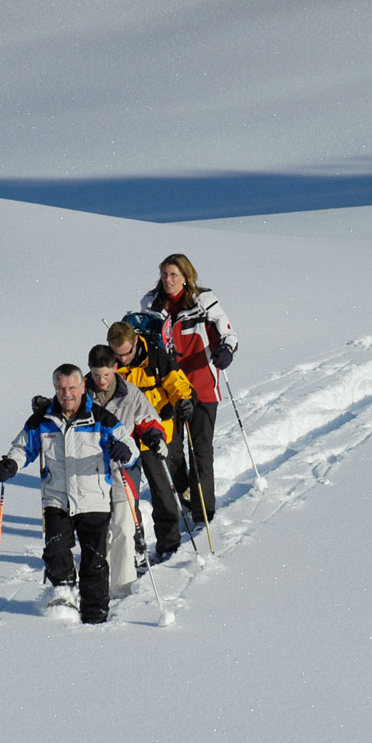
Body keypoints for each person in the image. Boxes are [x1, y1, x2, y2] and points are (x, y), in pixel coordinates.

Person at [0, 364, 138, 624]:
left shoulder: (101, 419)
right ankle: (65, 593)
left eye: (71, 388)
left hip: (93, 499)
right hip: (56, 499)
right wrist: (10, 464)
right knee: (56, 549)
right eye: (60, 389)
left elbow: (129, 446)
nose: (66, 394)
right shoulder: (42, 420)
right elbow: (23, 447)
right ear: (55, 389)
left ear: (82, 388)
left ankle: (95, 613)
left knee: (94, 560)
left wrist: (124, 453)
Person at [137, 253, 238, 525]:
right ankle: (184, 491)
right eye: (164, 274)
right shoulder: (150, 304)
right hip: (167, 388)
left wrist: (225, 350)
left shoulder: (204, 300)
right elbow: (142, 342)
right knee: (172, 449)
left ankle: (203, 511)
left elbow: (228, 333)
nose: (168, 280)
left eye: (174, 275)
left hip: (202, 384)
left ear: (186, 277)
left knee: (201, 448)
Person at [106, 319, 195, 562]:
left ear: (136, 342)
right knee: (126, 498)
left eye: (126, 354)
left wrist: (184, 401)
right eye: (117, 355)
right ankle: (136, 550)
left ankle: (169, 544)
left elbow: (177, 382)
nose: (123, 360)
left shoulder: (155, 355)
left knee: (163, 492)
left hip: (159, 433)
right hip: (127, 442)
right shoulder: (108, 363)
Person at [84, 344, 165, 594]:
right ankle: (100, 587)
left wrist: (153, 436)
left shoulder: (129, 393)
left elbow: (149, 419)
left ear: (116, 368)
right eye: (96, 375)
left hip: (123, 466)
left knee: (123, 526)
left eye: (106, 374)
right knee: (99, 530)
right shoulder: (80, 392)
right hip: (90, 469)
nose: (101, 381)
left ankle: (122, 586)